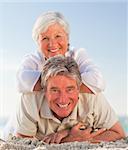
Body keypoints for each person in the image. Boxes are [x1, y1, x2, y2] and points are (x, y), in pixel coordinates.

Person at [15, 55, 125, 144]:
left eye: (69, 89)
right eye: (54, 90)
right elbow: (22, 142)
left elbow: (118, 134)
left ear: (79, 88)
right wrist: (70, 139)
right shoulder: (30, 99)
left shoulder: (93, 97)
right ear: (44, 90)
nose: (62, 100)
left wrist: (75, 137)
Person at [16, 11, 105, 94]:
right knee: (26, 98)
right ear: (38, 42)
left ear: (67, 37)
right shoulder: (33, 59)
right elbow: (20, 80)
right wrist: (67, 83)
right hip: (43, 109)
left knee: (97, 97)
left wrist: (53, 85)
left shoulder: (77, 54)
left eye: (58, 36)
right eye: (45, 38)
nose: (52, 44)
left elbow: (98, 81)